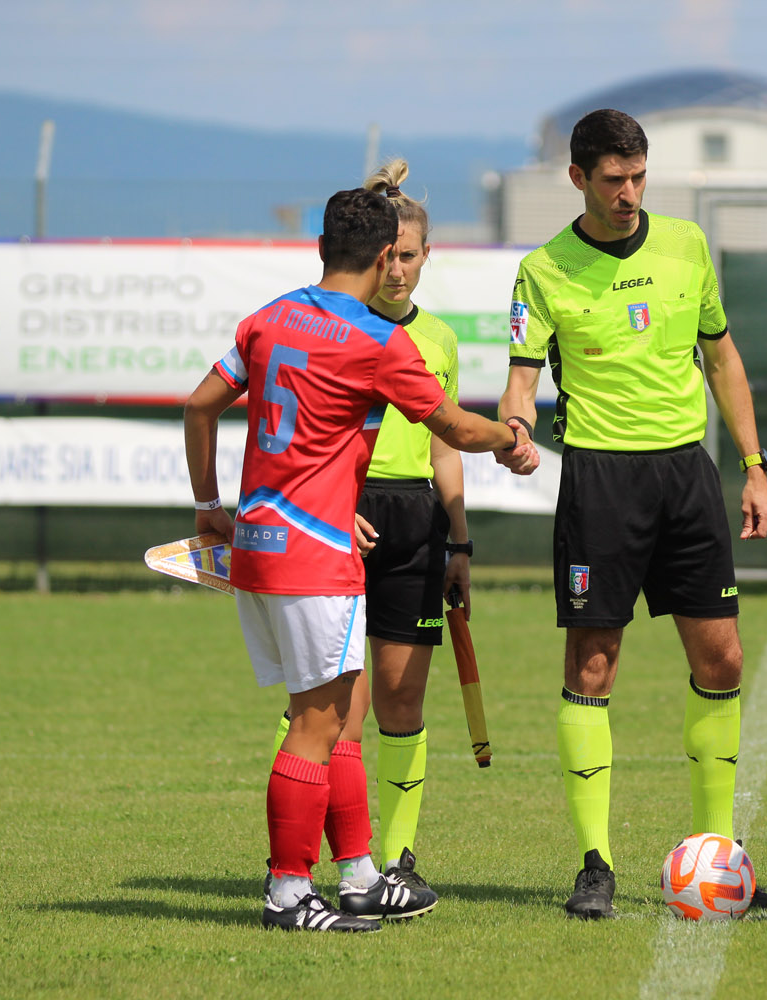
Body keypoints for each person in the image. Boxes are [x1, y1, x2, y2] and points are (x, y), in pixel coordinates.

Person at [184, 187, 536, 932]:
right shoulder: (377, 340)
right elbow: (454, 429)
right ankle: (288, 892)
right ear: (383, 257)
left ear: (321, 247)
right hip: (318, 556)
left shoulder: (268, 318)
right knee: (316, 726)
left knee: (341, 717)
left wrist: (209, 504)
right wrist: (511, 437)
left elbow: (198, 405)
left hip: (258, 548)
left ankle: (359, 875)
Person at [497, 108, 767, 919]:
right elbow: (522, 377)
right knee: (593, 663)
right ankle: (595, 865)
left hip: (686, 476)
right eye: (613, 179)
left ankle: (718, 858)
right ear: (578, 178)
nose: (629, 193)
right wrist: (515, 428)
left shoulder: (687, 245)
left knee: (722, 659)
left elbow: (722, 358)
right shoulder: (543, 270)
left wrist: (754, 466)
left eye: (639, 177)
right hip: (600, 479)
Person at [264, 159, 476, 920]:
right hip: (337, 518)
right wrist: (329, 508)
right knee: (331, 712)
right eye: (392, 255)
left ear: (422, 257)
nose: (399, 271)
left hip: (415, 518)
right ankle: (313, 869)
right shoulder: (338, 328)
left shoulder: (438, 339)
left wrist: (458, 541)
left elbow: (445, 441)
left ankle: (390, 859)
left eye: (412, 257)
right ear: (377, 253)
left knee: (400, 695)